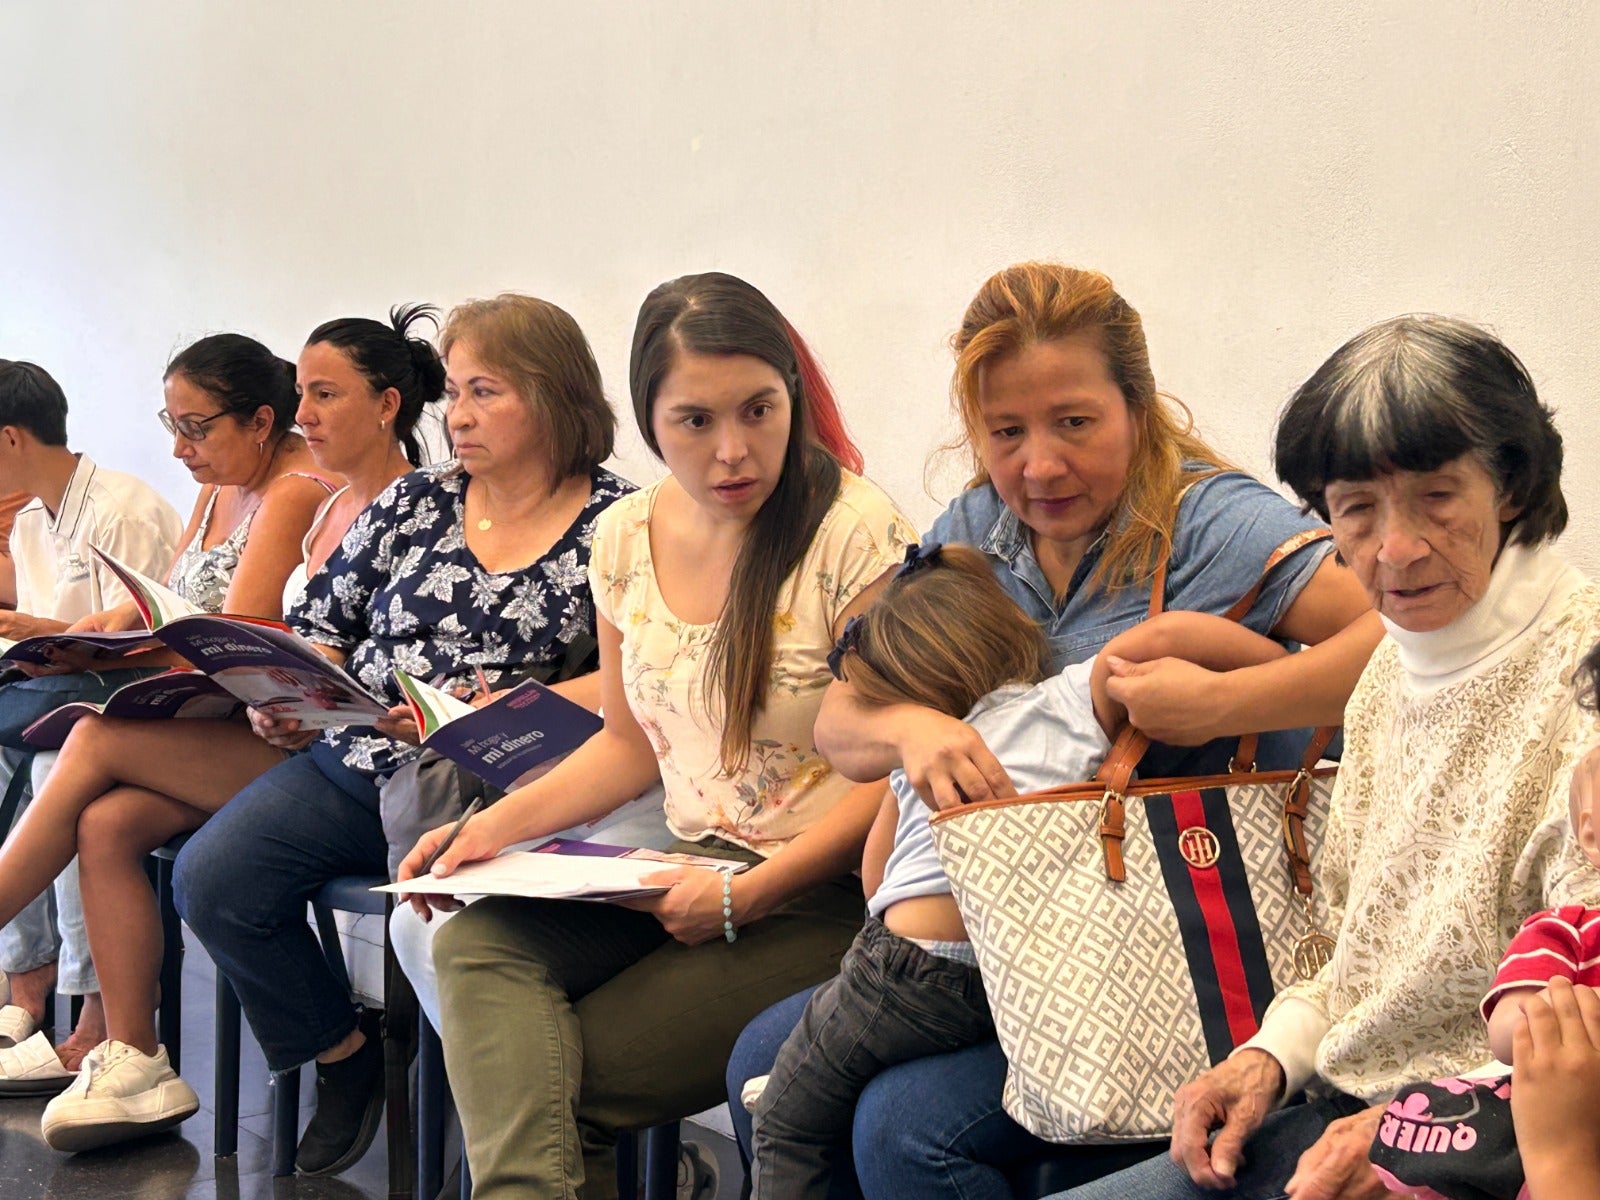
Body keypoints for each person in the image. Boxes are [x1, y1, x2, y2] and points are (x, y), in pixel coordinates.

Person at [725, 262, 1377, 1197]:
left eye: (1075, 423)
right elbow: (842, 712)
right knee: (758, 1049)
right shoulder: (977, 529)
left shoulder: (1210, 522)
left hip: (1140, 948)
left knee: (900, 1129)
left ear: (1138, 406)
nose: (1039, 466)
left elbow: (1397, 646)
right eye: (1006, 434)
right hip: (998, 940)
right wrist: (911, 728)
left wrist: (1226, 705)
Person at [1040, 315, 1600, 1200]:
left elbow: (1581, 1025)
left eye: (1437, 498)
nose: (1394, 549)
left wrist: (1411, 1130)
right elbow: (1345, 940)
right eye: (1357, 510)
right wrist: (1266, 1059)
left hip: (1491, 1144)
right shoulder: (1387, 670)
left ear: (1516, 488)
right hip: (1345, 1101)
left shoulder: (1584, 679)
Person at [398, 271, 908, 1200]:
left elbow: (892, 770)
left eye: (759, 409)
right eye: (695, 422)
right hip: (678, 861)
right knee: (471, 941)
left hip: (816, 894)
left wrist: (747, 897)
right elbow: (627, 747)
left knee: (550, 1089)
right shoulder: (626, 535)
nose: (733, 451)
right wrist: (488, 832)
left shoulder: (854, 531)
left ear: (792, 392)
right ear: (649, 418)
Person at [173, 293, 632, 1177]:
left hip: (508, 780)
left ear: (556, 395)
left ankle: (505, 1136)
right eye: (453, 392)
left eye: (484, 392)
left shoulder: (621, 521)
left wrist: (497, 714)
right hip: (363, 752)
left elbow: (637, 679)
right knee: (214, 879)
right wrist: (288, 693)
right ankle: (344, 1057)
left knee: (454, 946)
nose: (455, 416)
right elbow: (323, 624)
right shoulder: (416, 502)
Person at [0, 309, 438, 1145]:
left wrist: (170, 665)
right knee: (105, 818)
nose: (181, 447)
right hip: (258, 723)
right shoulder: (297, 500)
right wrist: (91, 639)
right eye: (174, 426)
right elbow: (171, 607)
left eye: (196, 427)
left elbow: (240, 636)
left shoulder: (312, 496)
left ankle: (76, 1000)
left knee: (83, 740)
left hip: (286, 735)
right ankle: (134, 1056)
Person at [749, 543, 1291, 1199]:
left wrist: (900, 784)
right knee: (819, 1077)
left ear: (900, 692)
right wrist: (1281, 679)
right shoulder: (1068, 702)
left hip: (901, 975)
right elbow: (1174, 633)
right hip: (1013, 983)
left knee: (785, 1118)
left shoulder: (926, 750)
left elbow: (875, 885)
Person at [0, 359, 184, 1085]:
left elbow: (150, 643)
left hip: (136, 709)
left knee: (54, 770)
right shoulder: (35, 520)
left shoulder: (122, 509)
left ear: (11, 438)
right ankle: (25, 985)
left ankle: (94, 1008)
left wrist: (40, 630)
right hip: (68, 698)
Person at [1369, 659, 1600, 1200]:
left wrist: (1563, 1157)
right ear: (1591, 836)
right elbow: (1506, 1033)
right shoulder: (1570, 932)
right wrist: (1554, 1028)